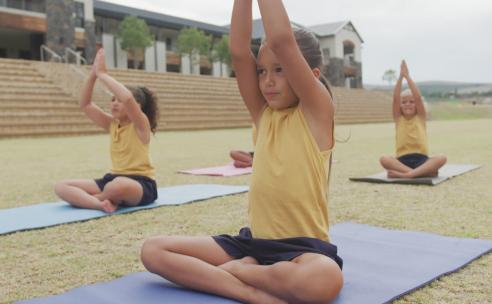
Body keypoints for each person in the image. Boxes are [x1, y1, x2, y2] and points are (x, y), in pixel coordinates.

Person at [141, 1, 343, 303]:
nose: (268, 81)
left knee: (325, 279)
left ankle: (241, 273)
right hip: (251, 244)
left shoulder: (316, 113)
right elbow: (238, 50)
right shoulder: (263, 114)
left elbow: (282, 41)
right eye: (261, 71)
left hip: (302, 249)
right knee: (153, 250)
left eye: (279, 70)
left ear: (309, 75)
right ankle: (247, 289)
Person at [54, 49, 159, 213]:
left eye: (119, 101)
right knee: (61, 186)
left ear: (137, 107)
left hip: (140, 184)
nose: (115, 103)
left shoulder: (140, 123)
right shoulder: (112, 124)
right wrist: (93, 75)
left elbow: (127, 98)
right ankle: (100, 204)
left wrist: (103, 74)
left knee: (117, 186)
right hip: (112, 179)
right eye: (112, 100)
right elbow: (86, 105)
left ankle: (89, 199)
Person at [379, 60, 447, 178]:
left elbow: (418, 97)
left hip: (422, 160)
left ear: (416, 105)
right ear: (400, 105)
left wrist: (407, 77)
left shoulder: (420, 117)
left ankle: (407, 175)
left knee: (442, 158)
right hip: (401, 161)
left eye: (411, 102)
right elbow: (395, 98)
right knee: (384, 159)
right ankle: (418, 173)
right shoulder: (398, 118)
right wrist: (401, 77)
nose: (408, 104)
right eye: (404, 102)